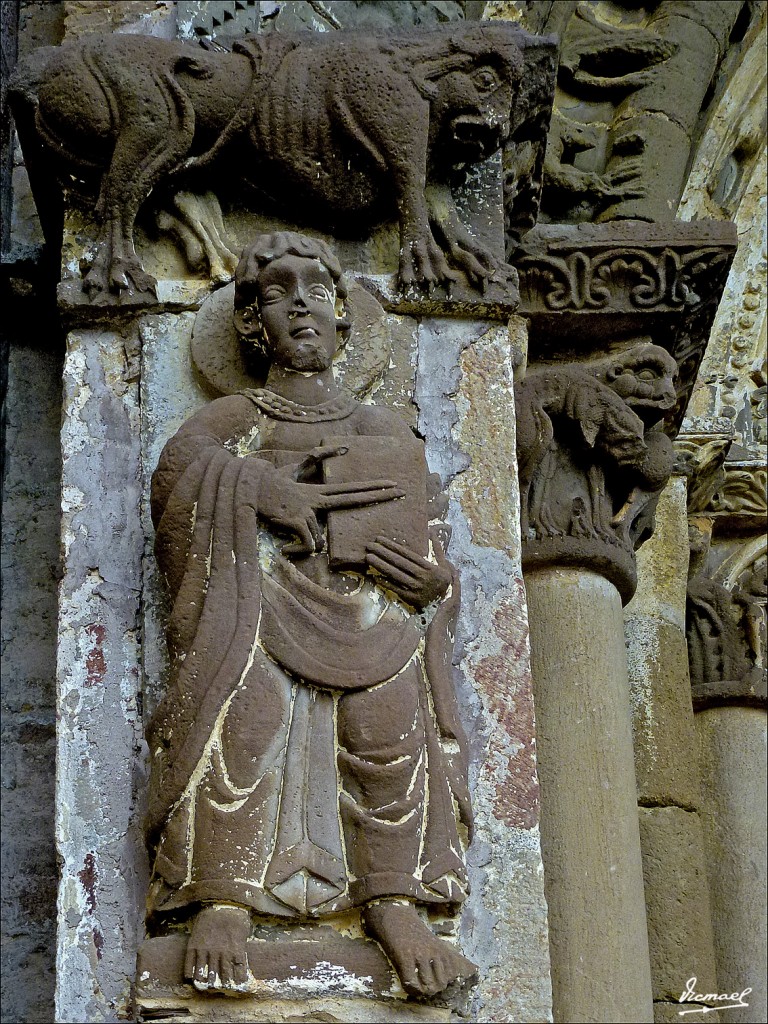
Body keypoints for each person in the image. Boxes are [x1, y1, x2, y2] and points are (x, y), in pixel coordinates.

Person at [145, 232, 475, 998]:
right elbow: (174, 488)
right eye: (277, 291)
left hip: (372, 615)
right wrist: (258, 491)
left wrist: (429, 583)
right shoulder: (231, 418)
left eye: (318, 289)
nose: (301, 302)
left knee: (389, 728)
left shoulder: (386, 431)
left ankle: (392, 899)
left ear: (342, 319)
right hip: (260, 604)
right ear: (254, 325)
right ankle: (221, 899)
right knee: (244, 718)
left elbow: (426, 547)